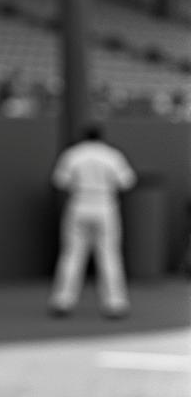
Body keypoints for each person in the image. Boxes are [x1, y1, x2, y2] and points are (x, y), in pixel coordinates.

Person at [48, 123, 137, 319]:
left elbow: (60, 181)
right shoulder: (112, 154)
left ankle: (62, 301)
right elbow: (127, 181)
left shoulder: (73, 154)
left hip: (79, 203)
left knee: (71, 254)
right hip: (104, 205)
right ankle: (115, 303)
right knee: (109, 255)